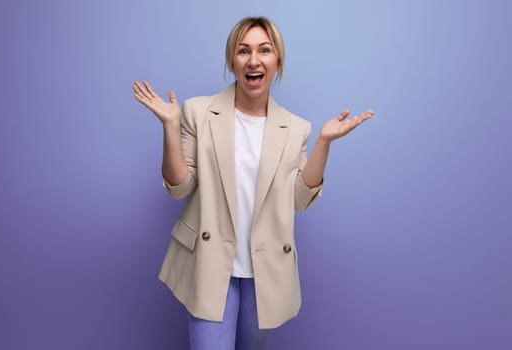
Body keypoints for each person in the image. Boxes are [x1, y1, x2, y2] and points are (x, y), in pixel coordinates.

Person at [132, 16, 374, 350]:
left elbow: (300, 200)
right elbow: (179, 187)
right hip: (209, 262)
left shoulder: (295, 128)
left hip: (266, 269)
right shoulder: (198, 112)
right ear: (232, 60)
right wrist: (170, 128)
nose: (254, 60)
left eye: (264, 50)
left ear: (278, 62)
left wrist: (324, 143)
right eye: (243, 51)